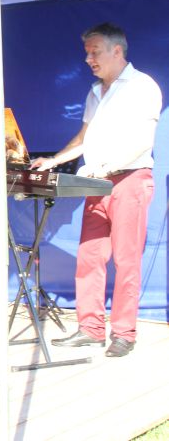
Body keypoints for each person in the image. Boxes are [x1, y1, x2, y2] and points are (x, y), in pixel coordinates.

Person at [32, 22, 161, 358]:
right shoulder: (94, 92)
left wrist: (104, 167)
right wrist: (54, 160)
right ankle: (90, 328)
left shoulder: (142, 86)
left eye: (95, 52)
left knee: (126, 259)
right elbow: (84, 138)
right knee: (89, 256)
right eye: (87, 52)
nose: (88, 59)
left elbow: (142, 141)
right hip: (97, 183)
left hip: (129, 179)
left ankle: (124, 333)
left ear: (117, 51)